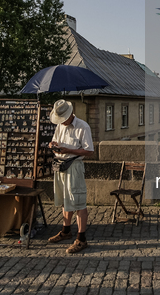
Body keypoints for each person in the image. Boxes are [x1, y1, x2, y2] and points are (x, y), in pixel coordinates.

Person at [47, 99, 94, 253]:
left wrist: (68, 150)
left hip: (74, 166)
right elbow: (54, 140)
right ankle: (66, 231)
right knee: (64, 200)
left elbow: (89, 151)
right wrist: (53, 145)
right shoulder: (60, 126)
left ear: (70, 114)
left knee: (78, 202)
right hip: (60, 165)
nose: (61, 122)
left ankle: (81, 239)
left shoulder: (83, 126)